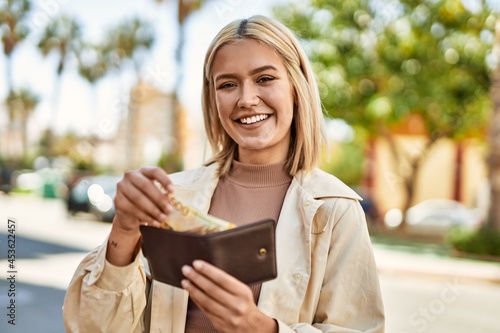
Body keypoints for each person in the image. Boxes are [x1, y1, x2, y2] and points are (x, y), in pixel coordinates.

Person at [63, 15, 384, 333]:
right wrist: (124, 229)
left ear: (296, 88)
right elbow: (93, 327)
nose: (246, 99)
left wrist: (260, 328)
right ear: (213, 98)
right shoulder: (171, 196)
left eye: (265, 79)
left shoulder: (335, 210)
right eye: (228, 84)